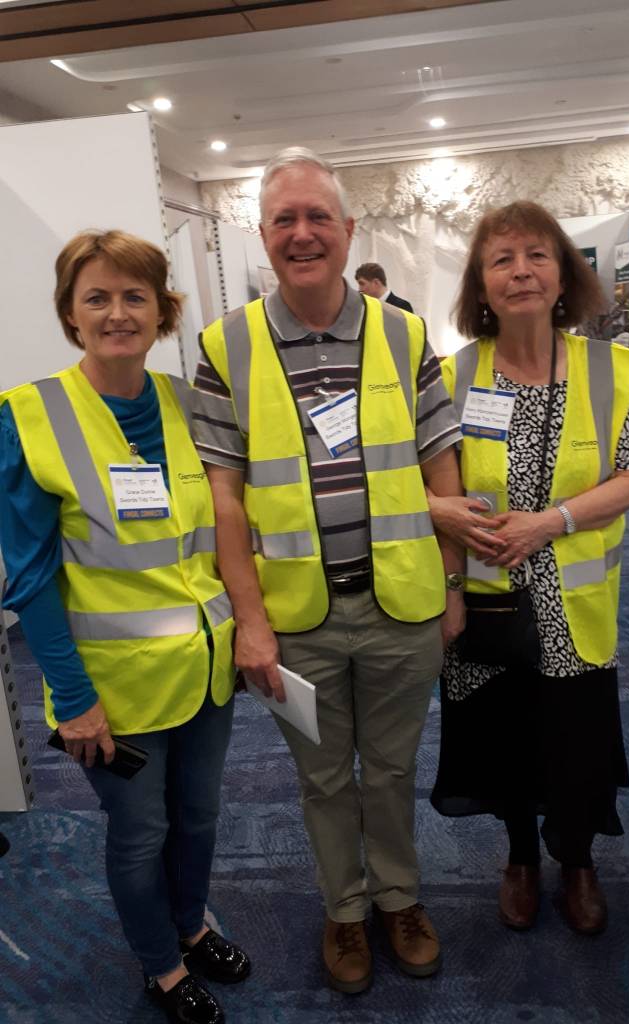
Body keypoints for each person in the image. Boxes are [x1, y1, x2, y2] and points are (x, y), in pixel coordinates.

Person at [192, 146, 464, 993]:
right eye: (285, 219)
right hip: (294, 618)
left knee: (390, 770)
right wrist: (250, 621)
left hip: (403, 606)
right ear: (263, 234)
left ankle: (399, 898)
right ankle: (344, 910)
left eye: (318, 217)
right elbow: (223, 499)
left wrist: (454, 585)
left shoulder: (404, 334)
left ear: (348, 230)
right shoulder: (225, 346)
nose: (302, 233)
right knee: (320, 780)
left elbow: (441, 466)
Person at [0, 230, 249, 1024]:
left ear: (162, 310)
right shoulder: (29, 415)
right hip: (112, 686)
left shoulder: (185, 404)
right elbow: (31, 575)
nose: (117, 313)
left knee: (200, 818)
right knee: (140, 834)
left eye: (135, 296)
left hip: (206, 670)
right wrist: (72, 700)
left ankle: (192, 925)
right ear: (70, 314)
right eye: (97, 297)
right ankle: (160, 966)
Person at [428, 201, 629, 935]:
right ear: (480, 286)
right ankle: (520, 856)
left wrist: (551, 522)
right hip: (484, 603)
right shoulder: (452, 378)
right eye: (502, 259)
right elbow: (428, 489)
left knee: (576, 742)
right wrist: (447, 568)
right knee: (502, 741)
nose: (520, 271)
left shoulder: (608, 368)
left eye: (537, 256)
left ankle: (577, 858)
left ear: (563, 275)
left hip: (572, 607)